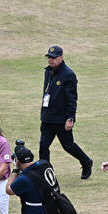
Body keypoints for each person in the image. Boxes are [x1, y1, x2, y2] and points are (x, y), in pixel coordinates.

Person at [39, 45, 93, 179]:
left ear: (61, 58)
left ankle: (86, 161)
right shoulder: (48, 71)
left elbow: (72, 99)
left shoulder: (68, 75)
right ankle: (46, 174)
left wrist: (70, 118)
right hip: (47, 117)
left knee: (68, 146)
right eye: (49, 57)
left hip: (60, 119)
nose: (51, 60)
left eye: (54, 58)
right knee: (43, 146)